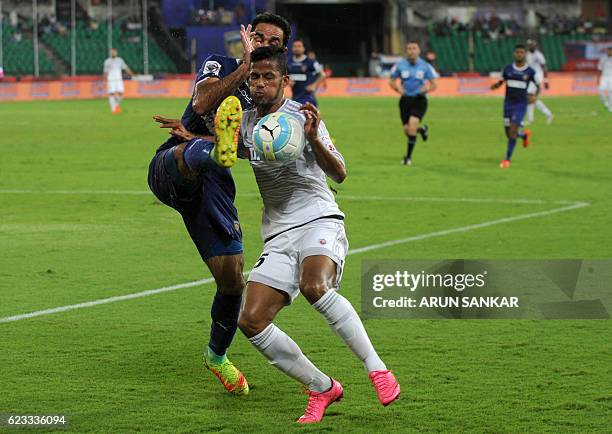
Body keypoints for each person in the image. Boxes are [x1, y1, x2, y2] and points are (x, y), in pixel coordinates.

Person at [237, 46, 400, 424]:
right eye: (254, 78)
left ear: (284, 82)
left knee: (314, 285)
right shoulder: (246, 122)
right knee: (251, 320)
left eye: (268, 77)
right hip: (278, 232)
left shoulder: (302, 116)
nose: (260, 84)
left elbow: (340, 172)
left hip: (318, 219)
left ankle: (377, 368)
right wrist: (193, 138)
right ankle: (322, 387)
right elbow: (233, 150)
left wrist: (312, 139)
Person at [147, 13, 292, 396]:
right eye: (256, 35)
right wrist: (244, 67)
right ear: (246, 37)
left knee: (232, 278)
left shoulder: (270, 102)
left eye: (271, 41)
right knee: (193, 153)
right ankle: (211, 150)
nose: (262, 42)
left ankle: (216, 355)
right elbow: (203, 99)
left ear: (281, 50)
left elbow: (262, 147)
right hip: (175, 161)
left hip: (216, 183)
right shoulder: (221, 63)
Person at [389, 41, 438, 166]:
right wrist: (398, 89)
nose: (411, 51)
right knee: (407, 130)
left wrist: (426, 89)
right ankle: (421, 130)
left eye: (414, 48)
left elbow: (434, 84)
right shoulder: (400, 65)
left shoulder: (425, 66)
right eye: (409, 48)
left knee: (412, 125)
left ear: (419, 50)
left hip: (419, 100)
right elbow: (392, 81)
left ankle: (408, 158)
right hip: (405, 100)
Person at [490, 44, 538, 169]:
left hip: (520, 105)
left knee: (512, 130)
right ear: (514, 54)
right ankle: (523, 135)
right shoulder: (507, 69)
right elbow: (502, 81)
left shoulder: (530, 72)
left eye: (522, 52)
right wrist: (496, 85)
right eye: (517, 52)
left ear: (525, 54)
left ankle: (507, 159)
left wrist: (534, 96)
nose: (519, 54)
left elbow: (537, 85)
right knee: (508, 133)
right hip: (508, 104)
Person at [287, 39, 325, 106]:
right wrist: (288, 80)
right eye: (295, 46)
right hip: (295, 98)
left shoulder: (310, 62)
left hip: (308, 98)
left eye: (299, 46)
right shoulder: (289, 62)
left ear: (303, 48)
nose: (296, 48)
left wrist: (314, 85)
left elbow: (322, 74)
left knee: (311, 116)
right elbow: (284, 74)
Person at [525, 39, 554, 124]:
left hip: (537, 77)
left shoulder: (539, 55)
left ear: (535, 46)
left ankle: (531, 119)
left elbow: (544, 67)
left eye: (532, 45)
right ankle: (548, 114)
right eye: (529, 45)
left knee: (529, 96)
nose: (531, 46)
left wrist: (546, 80)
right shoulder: (527, 54)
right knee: (531, 98)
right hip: (530, 78)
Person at [103, 48, 134, 114]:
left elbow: (126, 68)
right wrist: (104, 79)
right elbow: (105, 72)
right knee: (111, 94)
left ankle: (116, 105)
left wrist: (131, 74)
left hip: (119, 79)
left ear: (116, 53)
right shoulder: (107, 61)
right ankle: (113, 109)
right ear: (110, 53)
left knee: (121, 93)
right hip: (111, 80)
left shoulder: (120, 60)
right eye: (112, 52)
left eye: (114, 52)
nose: (113, 53)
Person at [597, 46, 612, 112]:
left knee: (610, 92)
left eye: (611, 50)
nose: (609, 52)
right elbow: (600, 69)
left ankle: (610, 107)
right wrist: (598, 78)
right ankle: (605, 103)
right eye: (609, 50)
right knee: (600, 90)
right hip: (604, 77)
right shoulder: (603, 58)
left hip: (611, 77)